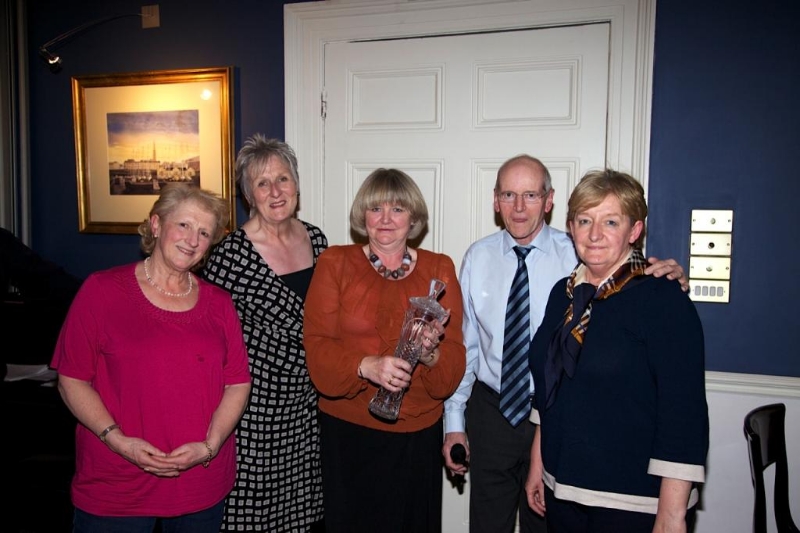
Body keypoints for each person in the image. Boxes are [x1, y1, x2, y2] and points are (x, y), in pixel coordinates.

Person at [442, 155, 688, 533]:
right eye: (508, 195)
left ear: (549, 200)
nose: (519, 207)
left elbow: (627, 276)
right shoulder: (482, 258)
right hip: (492, 413)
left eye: (530, 195)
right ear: (495, 200)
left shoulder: (576, 255)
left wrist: (667, 275)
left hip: (562, 422)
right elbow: (468, 345)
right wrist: (454, 421)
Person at [50, 183, 252, 533]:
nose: (192, 240)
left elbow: (238, 383)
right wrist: (118, 441)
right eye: (184, 224)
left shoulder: (220, 303)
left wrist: (210, 446)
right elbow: (71, 380)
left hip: (199, 483)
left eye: (204, 233)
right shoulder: (102, 291)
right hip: (117, 482)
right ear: (156, 224)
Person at [525, 169, 708, 532]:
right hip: (561, 488)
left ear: (634, 230)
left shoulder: (663, 299)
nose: (594, 234)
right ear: (570, 227)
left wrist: (671, 516)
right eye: (584, 220)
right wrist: (538, 464)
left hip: (631, 502)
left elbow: (683, 415)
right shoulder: (563, 294)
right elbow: (552, 387)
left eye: (610, 221)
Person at [304, 168, 466, 533]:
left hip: (417, 436)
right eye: (376, 208)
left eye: (398, 209)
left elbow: (453, 363)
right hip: (349, 432)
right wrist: (366, 366)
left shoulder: (439, 269)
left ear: (414, 217)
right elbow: (317, 348)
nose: (386, 219)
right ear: (363, 215)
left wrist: (429, 353)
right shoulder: (335, 263)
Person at [202, 134, 327, 532]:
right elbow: (210, 340)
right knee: (254, 513)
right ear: (248, 196)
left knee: (303, 511)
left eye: (283, 179)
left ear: (297, 184)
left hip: (311, 406)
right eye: (262, 183)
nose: (275, 191)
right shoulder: (229, 256)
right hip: (255, 412)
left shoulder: (317, 240)